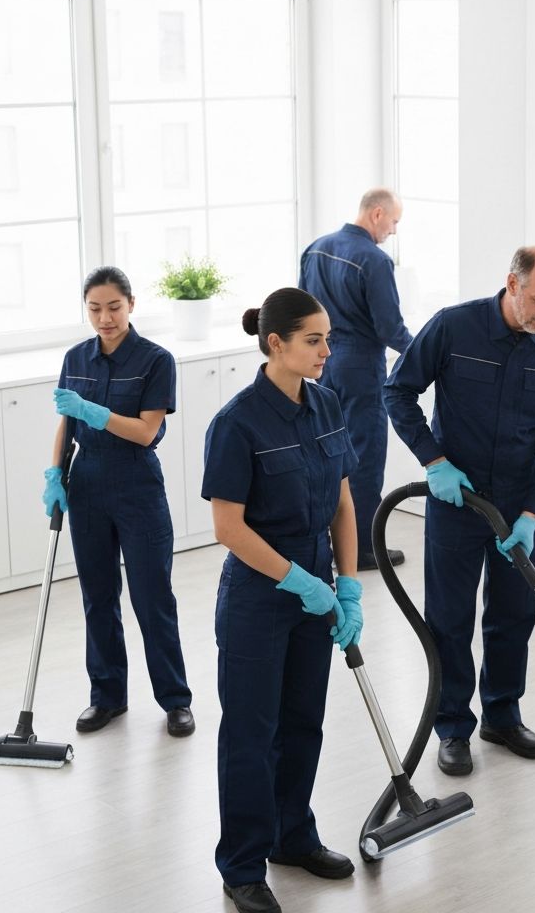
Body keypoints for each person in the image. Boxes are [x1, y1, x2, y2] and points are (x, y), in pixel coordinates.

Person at [384, 246, 535, 777]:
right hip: (458, 499)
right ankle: (452, 726)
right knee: (450, 617)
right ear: (512, 284)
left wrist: (533, 512)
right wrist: (434, 461)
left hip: (519, 506)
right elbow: (398, 392)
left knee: (514, 614)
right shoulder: (454, 327)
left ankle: (502, 714)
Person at [202, 287, 364, 913]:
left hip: (319, 592)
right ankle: (242, 866)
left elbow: (344, 502)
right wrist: (297, 579)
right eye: (314, 340)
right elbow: (229, 528)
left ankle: (291, 837)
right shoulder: (237, 423)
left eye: (328, 337)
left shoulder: (327, 404)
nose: (328, 350)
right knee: (251, 732)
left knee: (303, 723)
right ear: (276, 344)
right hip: (258, 596)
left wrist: (346, 584)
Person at [43, 266, 194, 738]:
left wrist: (94, 411)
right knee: (98, 597)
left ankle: (175, 700)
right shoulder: (75, 358)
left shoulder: (155, 360)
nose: (104, 318)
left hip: (137, 487)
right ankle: (107, 696)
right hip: (86, 484)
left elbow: (146, 431)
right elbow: (67, 424)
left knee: (152, 598)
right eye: (94, 308)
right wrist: (54, 473)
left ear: (131, 304)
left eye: (113, 307)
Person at [299, 188, 413, 570]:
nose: (393, 231)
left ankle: (328, 544)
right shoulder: (374, 260)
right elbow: (389, 326)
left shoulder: (315, 248)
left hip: (319, 361)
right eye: (394, 221)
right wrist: (423, 355)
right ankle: (362, 549)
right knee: (363, 458)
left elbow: (301, 307)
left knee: (329, 453)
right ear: (377, 214)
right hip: (360, 367)